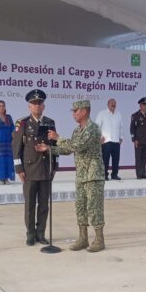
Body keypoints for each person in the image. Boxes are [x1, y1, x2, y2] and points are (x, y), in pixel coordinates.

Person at [37, 99, 105, 252]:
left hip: (93, 175)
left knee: (94, 208)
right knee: (80, 207)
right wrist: (48, 148)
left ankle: (99, 240)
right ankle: (83, 239)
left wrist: (57, 138)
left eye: (76, 111)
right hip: (81, 175)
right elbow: (68, 150)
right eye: (73, 111)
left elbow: (77, 146)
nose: (73, 114)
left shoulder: (92, 129)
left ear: (85, 111)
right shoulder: (77, 130)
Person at [12, 89, 57, 246]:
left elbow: (54, 145)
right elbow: (16, 147)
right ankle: (30, 234)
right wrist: (19, 169)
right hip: (29, 170)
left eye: (39, 103)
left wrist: (55, 166)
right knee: (30, 205)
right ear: (29, 107)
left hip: (45, 169)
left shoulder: (50, 122)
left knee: (44, 205)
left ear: (43, 106)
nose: (37, 106)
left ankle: (41, 233)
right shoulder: (22, 123)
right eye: (34, 103)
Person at [94, 98, 123, 180]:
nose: (113, 104)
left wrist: (121, 137)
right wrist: (99, 137)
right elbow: (96, 127)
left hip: (116, 141)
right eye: (111, 103)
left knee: (116, 159)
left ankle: (114, 175)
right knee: (105, 159)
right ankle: (104, 175)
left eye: (114, 103)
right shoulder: (102, 114)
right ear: (108, 104)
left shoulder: (119, 114)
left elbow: (121, 127)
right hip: (106, 141)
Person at [129, 96, 146, 179]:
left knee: (144, 158)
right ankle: (139, 174)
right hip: (139, 140)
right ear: (140, 106)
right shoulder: (135, 115)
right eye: (144, 105)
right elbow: (132, 128)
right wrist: (134, 139)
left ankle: (143, 173)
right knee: (138, 158)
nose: (145, 106)